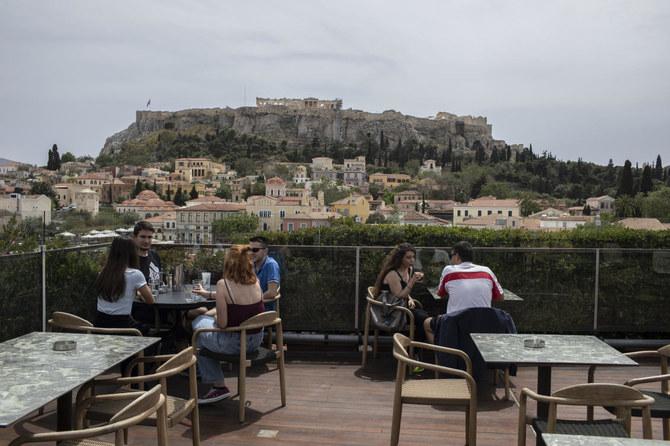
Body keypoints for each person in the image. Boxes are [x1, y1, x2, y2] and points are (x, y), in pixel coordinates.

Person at [192, 244, 265, 404]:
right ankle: (209, 374)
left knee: (198, 325)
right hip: (255, 341)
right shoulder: (256, 281)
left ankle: (218, 385)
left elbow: (223, 325)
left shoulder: (223, 285)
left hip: (235, 344)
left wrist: (214, 317)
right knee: (204, 329)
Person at [423, 241, 504, 343]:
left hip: (455, 324)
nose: (450, 259)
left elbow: (440, 294)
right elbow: (501, 297)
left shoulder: (449, 270)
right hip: (483, 324)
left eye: (451, 256)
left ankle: (442, 355)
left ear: (456, 256)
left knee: (427, 324)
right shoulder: (487, 271)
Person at [94, 237, 155, 334]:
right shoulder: (135, 274)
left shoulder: (103, 273)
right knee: (150, 330)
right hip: (123, 328)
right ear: (132, 253)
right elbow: (150, 301)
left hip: (99, 327)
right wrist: (139, 295)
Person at [373, 242, 429, 340]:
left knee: (426, 316)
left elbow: (404, 292)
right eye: (408, 257)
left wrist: (410, 298)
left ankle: (415, 349)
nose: (412, 260)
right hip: (392, 310)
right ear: (400, 258)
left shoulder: (409, 269)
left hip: (403, 306)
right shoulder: (392, 273)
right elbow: (399, 295)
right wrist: (413, 281)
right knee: (423, 319)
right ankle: (413, 350)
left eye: (413, 257)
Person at [249, 236, 280, 310]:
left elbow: (272, 292)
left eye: (255, 250)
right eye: (249, 250)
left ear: (265, 251)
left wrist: (251, 300)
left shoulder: (271, 265)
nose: (251, 253)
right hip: (252, 308)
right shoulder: (252, 264)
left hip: (264, 311)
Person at [133, 221, 161, 285]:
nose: (146, 241)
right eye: (143, 237)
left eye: (149, 237)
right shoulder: (129, 259)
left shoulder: (155, 256)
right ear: (134, 238)